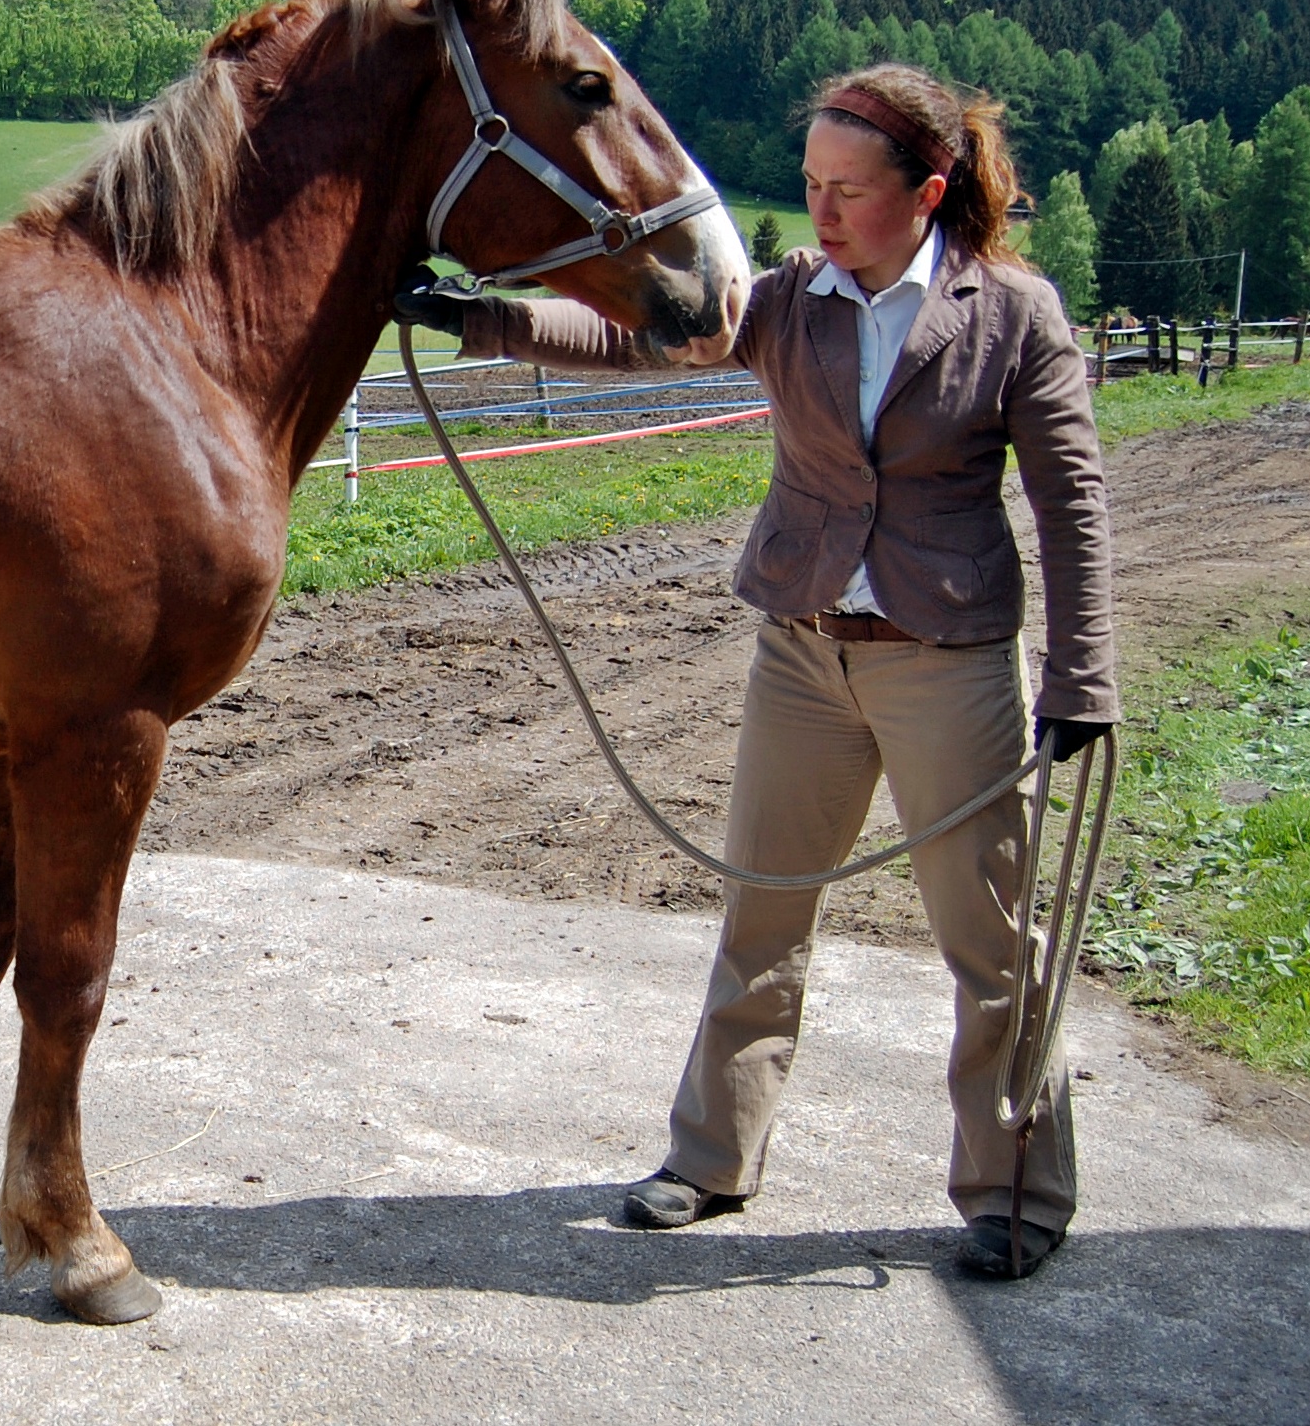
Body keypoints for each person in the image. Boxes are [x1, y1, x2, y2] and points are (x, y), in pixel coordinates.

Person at [395, 63, 1117, 1278]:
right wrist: (472, 318)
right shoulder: (782, 300)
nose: (820, 212)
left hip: (948, 664)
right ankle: (709, 1158)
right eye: (810, 186)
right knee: (760, 916)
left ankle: (1013, 1189)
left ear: (927, 191)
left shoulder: (1011, 316)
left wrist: (1082, 675)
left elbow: (1070, 500)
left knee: (989, 941)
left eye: (848, 190)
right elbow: (636, 339)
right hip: (801, 652)